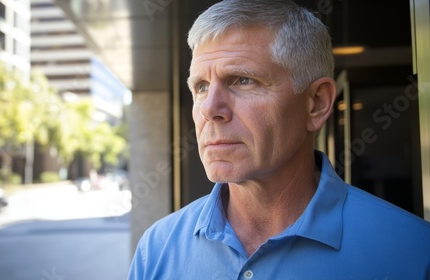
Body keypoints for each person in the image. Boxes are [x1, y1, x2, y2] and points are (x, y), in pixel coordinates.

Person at [128, 0, 430, 279]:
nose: (209, 109)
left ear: (316, 103)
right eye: (201, 87)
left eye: (243, 80)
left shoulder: (413, 254)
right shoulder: (157, 249)